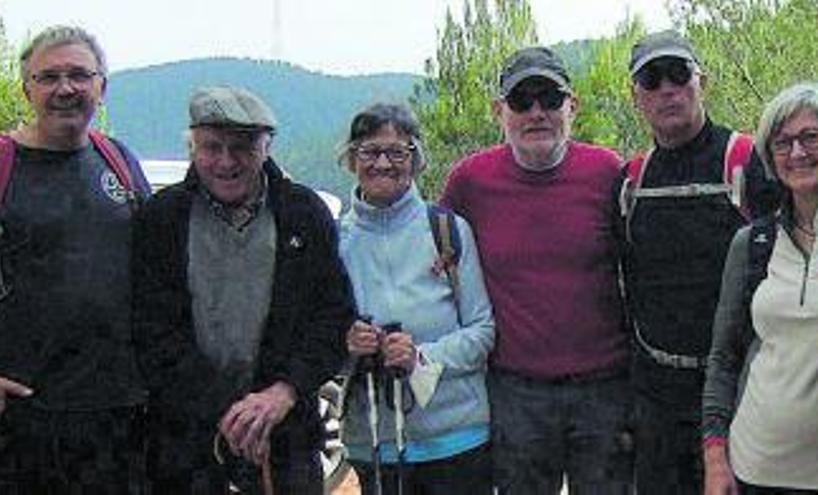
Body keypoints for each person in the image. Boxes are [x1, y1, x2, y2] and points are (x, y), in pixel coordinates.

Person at [132, 85, 356, 494]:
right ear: (193, 147)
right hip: (187, 442)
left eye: (242, 148)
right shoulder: (162, 219)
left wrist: (283, 391)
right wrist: (226, 410)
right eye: (212, 147)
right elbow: (152, 330)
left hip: (285, 437)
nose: (226, 161)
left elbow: (332, 316)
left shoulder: (303, 214)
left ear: (266, 148)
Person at [441, 46, 632, 494]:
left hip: (603, 389)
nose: (536, 113)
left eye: (549, 98)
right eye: (521, 101)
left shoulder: (608, 172)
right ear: (499, 112)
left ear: (573, 106)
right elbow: (435, 263)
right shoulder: (469, 182)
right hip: (515, 393)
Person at [619, 30, 779, 493]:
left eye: (678, 73)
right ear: (636, 97)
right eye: (652, 78)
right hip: (657, 402)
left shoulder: (750, 161)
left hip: (743, 391)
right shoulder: (631, 180)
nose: (667, 88)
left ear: (701, 81)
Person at [0, 25, 151, 493]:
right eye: (49, 77)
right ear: (27, 89)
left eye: (79, 75)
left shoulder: (118, 161)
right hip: (26, 416)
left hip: (120, 412)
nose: (65, 88)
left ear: (101, 87)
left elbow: (159, 271)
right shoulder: (5, 163)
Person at [702, 81, 818, 493]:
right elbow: (723, 358)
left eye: (811, 136)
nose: (797, 153)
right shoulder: (753, 245)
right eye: (782, 143)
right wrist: (716, 458)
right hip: (753, 471)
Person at [338, 103, 495, 493]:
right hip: (374, 440)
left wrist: (421, 359)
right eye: (370, 152)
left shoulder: (446, 230)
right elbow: (317, 341)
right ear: (352, 159)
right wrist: (347, 345)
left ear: (416, 159)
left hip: (458, 437)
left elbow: (482, 331)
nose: (383, 164)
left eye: (397, 152)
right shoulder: (336, 242)